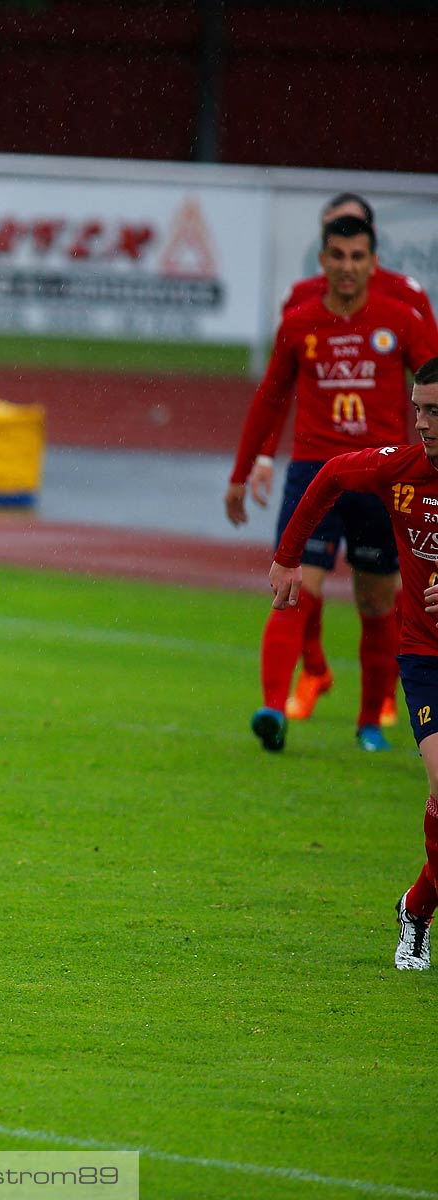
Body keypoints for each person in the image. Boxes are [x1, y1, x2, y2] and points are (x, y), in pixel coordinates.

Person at [227, 215, 438, 753]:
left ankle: (371, 720)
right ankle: (272, 709)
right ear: (321, 261)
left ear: (373, 263)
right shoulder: (299, 323)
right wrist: (243, 469)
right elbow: (270, 399)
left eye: (357, 256)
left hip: (384, 481)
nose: (347, 266)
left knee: (375, 601)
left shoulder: (402, 320)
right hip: (313, 471)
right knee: (297, 587)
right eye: (337, 256)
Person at [267, 356, 438, 970]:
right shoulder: (402, 470)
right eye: (419, 408)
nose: (424, 423)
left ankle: (417, 907)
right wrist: (289, 554)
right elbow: (334, 473)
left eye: (436, 411)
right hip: (424, 659)